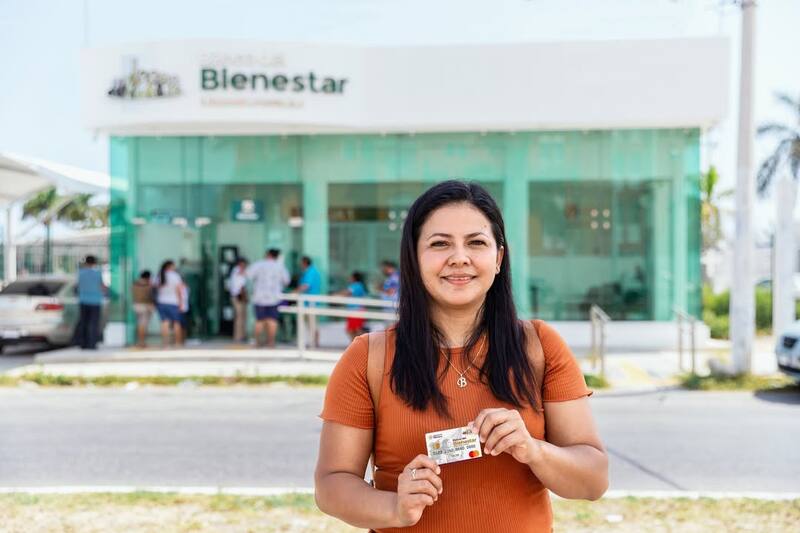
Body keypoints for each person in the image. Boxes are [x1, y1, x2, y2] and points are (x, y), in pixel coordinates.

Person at [315, 181, 608, 532]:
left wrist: (534, 450)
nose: (459, 257)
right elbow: (332, 484)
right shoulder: (367, 358)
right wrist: (394, 507)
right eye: (440, 243)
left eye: (476, 242)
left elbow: (593, 480)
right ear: (414, 257)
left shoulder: (540, 346)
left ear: (499, 258)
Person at [246, 249, 290, 347]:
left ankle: (257, 342)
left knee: (259, 320)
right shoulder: (280, 267)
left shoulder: (259, 264)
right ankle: (271, 342)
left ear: (268, 254)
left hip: (259, 297)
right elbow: (286, 281)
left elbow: (248, 275)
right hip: (274, 298)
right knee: (272, 320)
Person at [73, 255, 106, 350]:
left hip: (83, 300)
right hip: (95, 301)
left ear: (85, 262)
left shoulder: (80, 273)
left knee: (84, 322)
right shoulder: (98, 273)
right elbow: (102, 286)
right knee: (94, 323)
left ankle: (83, 344)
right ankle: (92, 344)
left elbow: (76, 286)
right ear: (94, 263)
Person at [155, 260, 185, 347]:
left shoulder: (159, 276)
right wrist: (181, 303)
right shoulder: (175, 276)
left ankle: (165, 343)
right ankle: (178, 342)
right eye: (173, 266)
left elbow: (155, 288)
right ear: (170, 266)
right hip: (173, 302)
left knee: (164, 323)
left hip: (161, 302)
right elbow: (179, 290)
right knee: (177, 322)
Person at [296, 255, 322, 348]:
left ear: (304, 263)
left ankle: (313, 343)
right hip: (310, 302)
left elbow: (306, 286)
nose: (300, 265)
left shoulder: (310, 272)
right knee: (313, 323)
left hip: (310, 302)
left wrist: (294, 292)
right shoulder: (312, 272)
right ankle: (315, 342)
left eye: (301, 263)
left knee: (312, 323)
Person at [333, 271, 368, 340]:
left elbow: (347, 292)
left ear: (354, 278)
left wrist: (336, 295)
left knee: (356, 329)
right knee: (352, 330)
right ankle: (356, 346)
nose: (349, 278)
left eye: (351, 277)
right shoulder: (358, 285)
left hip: (357, 311)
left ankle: (360, 346)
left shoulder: (357, 285)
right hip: (353, 311)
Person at [131, 270, 155, 348]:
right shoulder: (148, 285)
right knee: (143, 325)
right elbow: (150, 296)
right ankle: (141, 342)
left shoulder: (134, 284)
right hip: (145, 306)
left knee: (139, 324)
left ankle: (140, 341)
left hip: (136, 305)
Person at [229, 258, 249, 343]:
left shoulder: (235, 272)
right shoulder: (237, 272)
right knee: (240, 318)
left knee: (242, 317)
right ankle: (238, 337)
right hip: (238, 297)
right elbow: (241, 287)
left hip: (238, 296)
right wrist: (246, 298)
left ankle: (242, 336)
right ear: (241, 264)